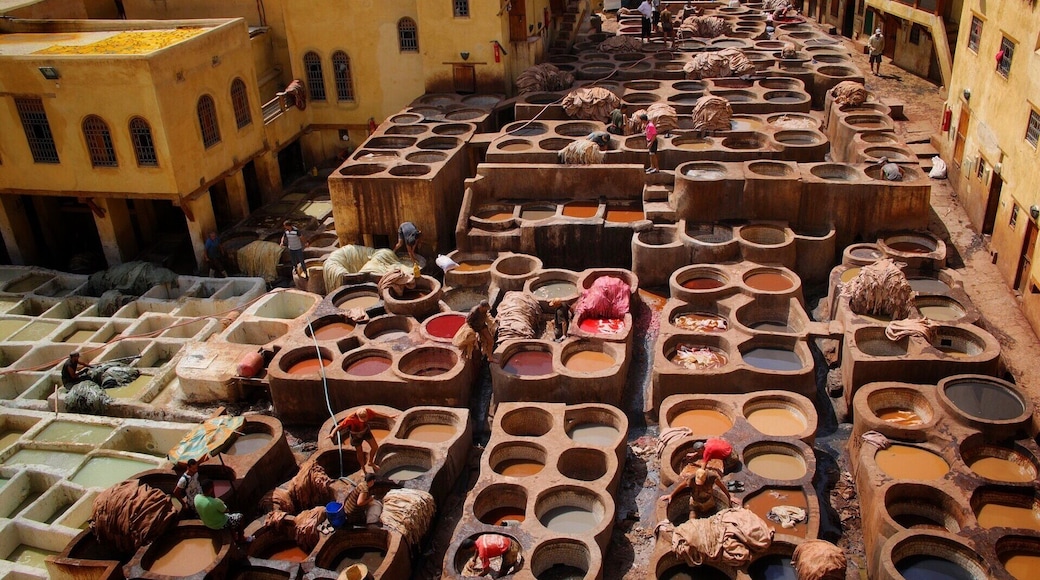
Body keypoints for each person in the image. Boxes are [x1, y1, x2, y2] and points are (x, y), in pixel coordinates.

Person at [328, 407, 397, 470]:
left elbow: (377, 414)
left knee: (375, 447)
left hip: (365, 431)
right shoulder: (350, 418)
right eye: (362, 419)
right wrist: (332, 433)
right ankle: (363, 468)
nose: (364, 420)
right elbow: (339, 426)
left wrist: (389, 416)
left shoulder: (367, 411)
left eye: (366, 418)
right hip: (355, 435)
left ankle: (370, 462)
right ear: (358, 417)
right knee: (359, 452)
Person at [663, 467, 733, 520]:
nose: (699, 485)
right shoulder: (692, 479)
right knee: (692, 521)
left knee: (711, 519)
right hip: (695, 502)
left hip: (708, 502)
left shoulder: (711, 477)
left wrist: (729, 497)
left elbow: (721, 486)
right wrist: (671, 495)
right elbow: (681, 486)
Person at [195, 479, 249, 543]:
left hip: (207, 523)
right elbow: (226, 510)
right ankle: (241, 538)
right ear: (211, 489)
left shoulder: (196, 497)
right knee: (240, 517)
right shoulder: (215, 502)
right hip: (219, 524)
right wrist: (218, 500)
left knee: (229, 517)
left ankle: (234, 535)